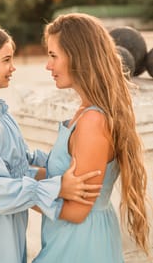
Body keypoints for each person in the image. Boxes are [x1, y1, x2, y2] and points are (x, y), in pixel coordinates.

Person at [0, 23, 102, 263]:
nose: (13, 67)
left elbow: (24, 159)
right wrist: (56, 187)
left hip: (8, 220)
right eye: (6, 60)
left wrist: (65, 161)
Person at [32, 13, 150, 263]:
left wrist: (15, 195)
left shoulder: (93, 122)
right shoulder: (83, 113)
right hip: (71, 238)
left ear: (78, 57)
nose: (48, 66)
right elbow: (62, 175)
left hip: (80, 244)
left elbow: (77, 210)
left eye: (53, 55)